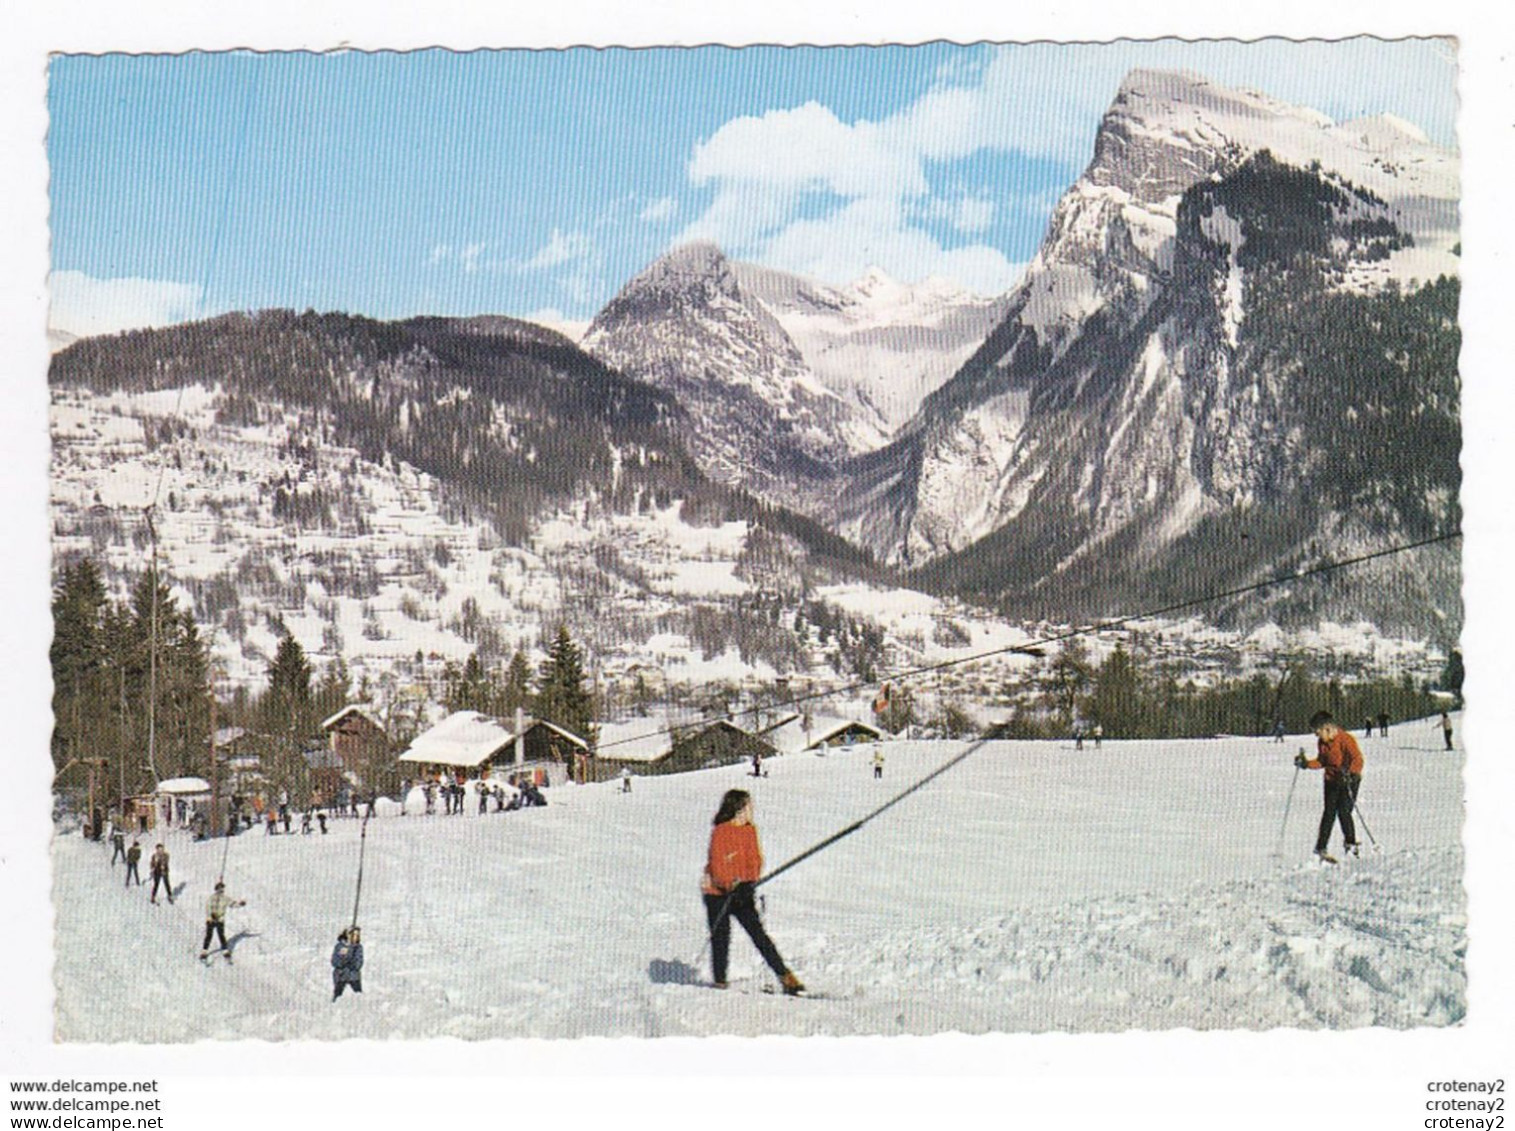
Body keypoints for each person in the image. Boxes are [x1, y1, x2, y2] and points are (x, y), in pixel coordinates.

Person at [701, 789, 804, 995]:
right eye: (748, 806)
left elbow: (755, 860)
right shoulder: (721, 831)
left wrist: (748, 881)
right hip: (717, 894)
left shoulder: (750, 830)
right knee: (721, 937)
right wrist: (731, 884)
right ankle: (720, 982)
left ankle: (786, 977)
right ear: (738, 809)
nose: (752, 809)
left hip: (742, 893)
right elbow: (717, 865)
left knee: (758, 934)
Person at [1294, 710, 1365, 862]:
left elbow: (1357, 759)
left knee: (1344, 812)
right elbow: (1322, 761)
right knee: (1329, 813)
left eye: (1317, 731)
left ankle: (1351, 844)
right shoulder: (1322, 743)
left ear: (1327, 728)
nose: (1316, 735)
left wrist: (1351, 774)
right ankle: (1321, 847)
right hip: (1331, 780)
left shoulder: (1345, 739)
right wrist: (1306, 763)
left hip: (1349, 780)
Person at [200, 881, 245, 960]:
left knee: (221, 935)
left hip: (220, 919)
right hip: (211, 920)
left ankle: (225, 950)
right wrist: (210, 917)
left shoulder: (225, 898)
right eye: (219, 889)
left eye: (222, 889)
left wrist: (240, 904)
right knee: (209, 935)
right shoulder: (211, 898)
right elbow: (208, 908)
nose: (220, 891)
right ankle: (204, 951)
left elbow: (232, 904)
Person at [331, 927, 364, 1000]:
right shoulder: (340, 946)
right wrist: (343, 960)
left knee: (357, 995)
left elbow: (359, 962)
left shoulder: (358, 947)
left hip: (354, 976)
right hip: (341, 976)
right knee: (338, 995)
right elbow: (335, 961)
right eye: (353, 934)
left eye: (357, 935)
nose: (355, 937)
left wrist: (351, 964)